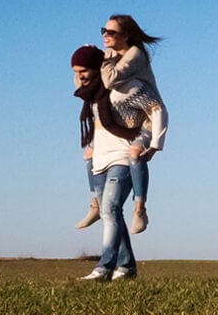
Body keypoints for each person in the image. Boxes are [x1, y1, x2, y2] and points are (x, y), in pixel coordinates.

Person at [71, 45, 165, 281]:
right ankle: (126, 266)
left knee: (111, 208)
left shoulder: (127, 87)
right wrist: (91, 146)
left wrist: (151, 142)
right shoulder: (92, 93)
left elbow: (156, 110)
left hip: (123, 155)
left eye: (83, 70)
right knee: (109, 212)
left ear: (97, 68)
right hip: (100, 157)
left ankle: (104, 267)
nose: (79, 76)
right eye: (75, 71)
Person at [75, 14, 167, 232]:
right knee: (90, 154)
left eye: (112, 32)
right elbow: (87, 78)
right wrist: (89, 56)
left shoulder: (135, 54)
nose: (105, 36)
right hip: (121, 118)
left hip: (143, 117)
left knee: (135, 153)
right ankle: (94, 205)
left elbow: (109, 79)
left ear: (125, 36)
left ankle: (140, 210)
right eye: (104, 31)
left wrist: (155, 144)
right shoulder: (113, 54)